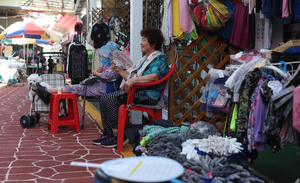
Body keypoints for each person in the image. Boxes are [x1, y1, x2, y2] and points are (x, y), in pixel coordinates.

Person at [92, 27, 169, 148]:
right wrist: (119, 70)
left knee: (111, 99)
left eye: (144, 40)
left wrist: (133, 80)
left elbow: (154, 77)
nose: (140, 42)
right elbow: (130, 78)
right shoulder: (146, 59)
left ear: (153, 43)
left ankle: (119, 136)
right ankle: (108, 133)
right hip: (139, 93)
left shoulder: (160, 58)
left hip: (148, 96)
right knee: (105, 98)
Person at [35, 57, 119, 105]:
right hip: (98, 86)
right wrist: (99, 71)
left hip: (102, 88)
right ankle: (50, 95)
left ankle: (49, 91)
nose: (111, 60)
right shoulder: (109, 66)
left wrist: (96, 73)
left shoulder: (116, 68)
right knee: (76, 89)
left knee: (77, 88)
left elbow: (106, 76)